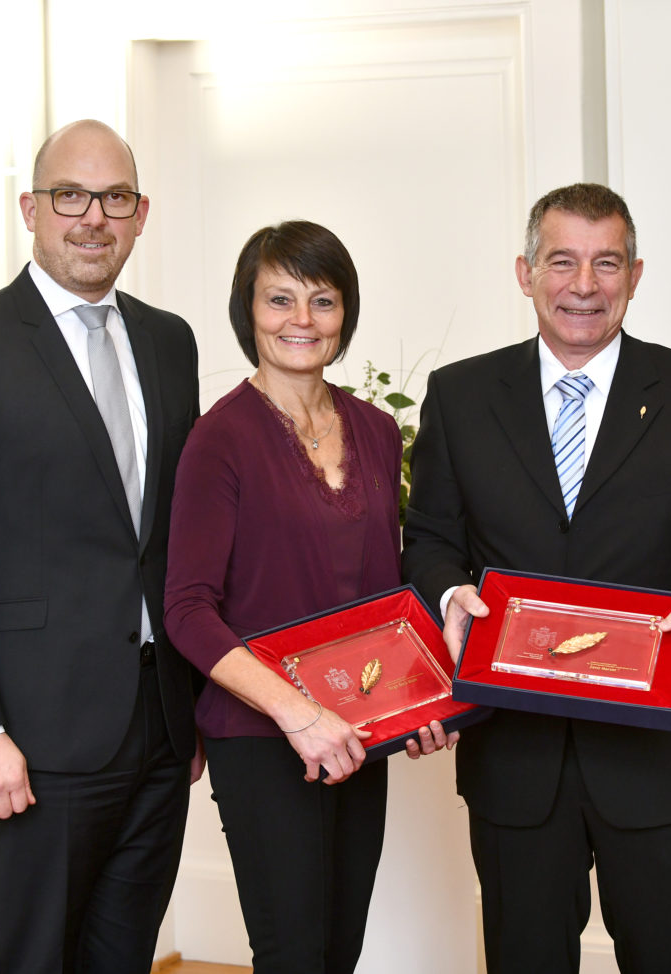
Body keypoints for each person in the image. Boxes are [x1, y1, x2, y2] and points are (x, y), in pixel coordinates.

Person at [401, 183, 671, 974]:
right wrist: (448, 595)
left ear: (635, 276)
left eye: (606, 263)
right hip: (515, 761)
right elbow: (430, 539)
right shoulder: (461, 396)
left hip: (662, 760)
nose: (583, 285)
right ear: (525, 272)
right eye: (561, 261)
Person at [0, 119, 202, 972]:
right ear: (32, 209)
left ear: (141, 214)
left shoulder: (169, 341)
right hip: (32, 737)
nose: (93, 217)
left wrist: (193, 707)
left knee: (123, 957)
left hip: (160, 728)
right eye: (71, 196)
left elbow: (169, 537)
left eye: (114, 198)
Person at [163, 220, 455, 973]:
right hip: (264, 736)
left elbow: (387, 592)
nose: (302, 319)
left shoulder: (378, 430)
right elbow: (187, 610)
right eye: (280, 299)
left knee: (338, 949)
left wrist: (422, 703)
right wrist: (298, 714)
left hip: (359, 730)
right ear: (248, 310)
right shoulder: (218, 439)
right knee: (293, 954)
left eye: (322, 300)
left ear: (344, 313)